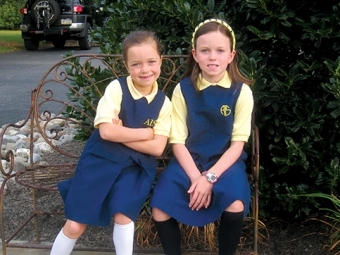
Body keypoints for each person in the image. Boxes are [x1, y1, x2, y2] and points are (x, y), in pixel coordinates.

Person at [50, 30, 172, 255]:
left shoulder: (164, 103)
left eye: (151, 62)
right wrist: (145, 133)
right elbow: (106, 133)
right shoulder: (117, 89)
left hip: (135, 168)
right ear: (126, 66)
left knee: (123, 216)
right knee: (76, 224)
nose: (145, 69)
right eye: (136, 64)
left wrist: (122, 131)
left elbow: (157, 148)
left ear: (160, 62)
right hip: (100, 161)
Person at [151, 18, 254, 255]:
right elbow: (176, 141)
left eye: (220, 50)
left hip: (226, 162)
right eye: (205, 51)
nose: (213, 57)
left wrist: (210, 178)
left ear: (231, 55)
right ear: (195, 54)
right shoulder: (183, 89)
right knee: (160, 208)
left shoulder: (241, 92)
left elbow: (237, 145)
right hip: (189, 161)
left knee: (235, 204)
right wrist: (197, 177)